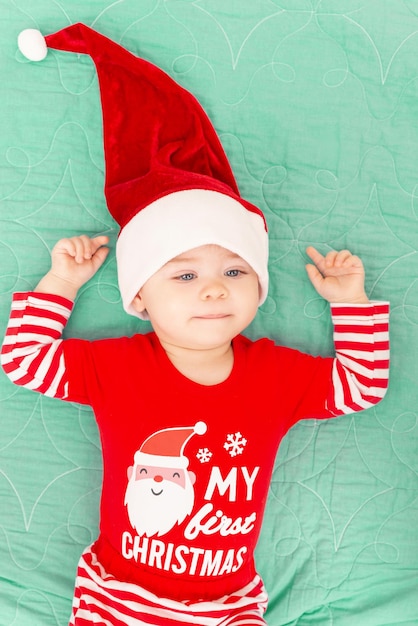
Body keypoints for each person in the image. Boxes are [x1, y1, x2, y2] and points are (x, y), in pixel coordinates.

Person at [2, 23, 390, 626]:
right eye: (183, 277)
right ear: (140, 298)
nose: (213, 288)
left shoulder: (276, 374)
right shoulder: (116, 366)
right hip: (117, 597)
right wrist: (61, 285)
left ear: (260, 288)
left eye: (235, 273)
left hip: (229, 606)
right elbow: (24, 364)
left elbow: (359, 387)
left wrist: (351, 301)